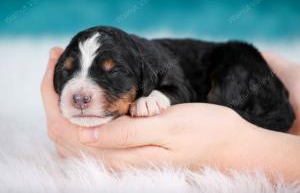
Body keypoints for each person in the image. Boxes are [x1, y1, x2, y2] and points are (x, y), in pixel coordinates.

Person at [41, 47, 300, 181]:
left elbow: (176, 88)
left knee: (232, 84)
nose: (82, 93)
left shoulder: (158, 71)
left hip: (230, 64)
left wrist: (233, 147)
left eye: (110, 73)